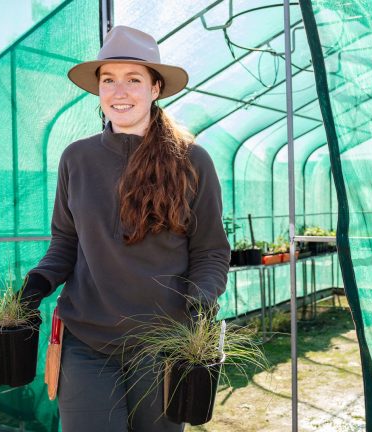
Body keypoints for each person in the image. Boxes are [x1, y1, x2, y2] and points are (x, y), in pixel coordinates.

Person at [20, 26, 230, 431]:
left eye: (133, 79)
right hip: (87, 338)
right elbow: (65, 241)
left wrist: (202, 296)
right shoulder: (76, 159)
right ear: (98, 90)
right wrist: (38, 282)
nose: (119, 92)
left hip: (164, 343)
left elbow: (210, 250)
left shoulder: (192, 161)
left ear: (155, 89)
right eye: (108, 80)